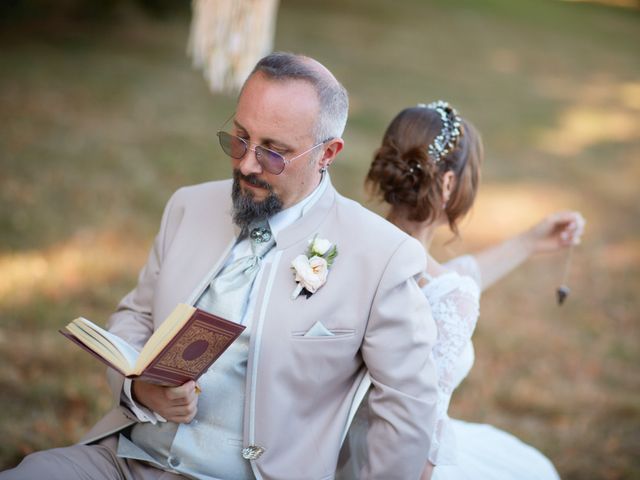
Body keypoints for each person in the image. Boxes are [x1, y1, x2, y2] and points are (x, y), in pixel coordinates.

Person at [1, 54, 441, 480]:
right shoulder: (188, 206)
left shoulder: (380, 255)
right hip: (126, 461)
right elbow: (136, 316)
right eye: (239, 138)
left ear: (327, 153)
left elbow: (407, 406)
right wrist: (138, 388)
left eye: (273, 152)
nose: (247, 164)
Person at [339, 101, 584, 480]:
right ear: (449, 184)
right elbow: (421, 437)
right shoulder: (444, 294)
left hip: (332, 451)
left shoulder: (347, 244)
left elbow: (452, 280)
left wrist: (528, 242)